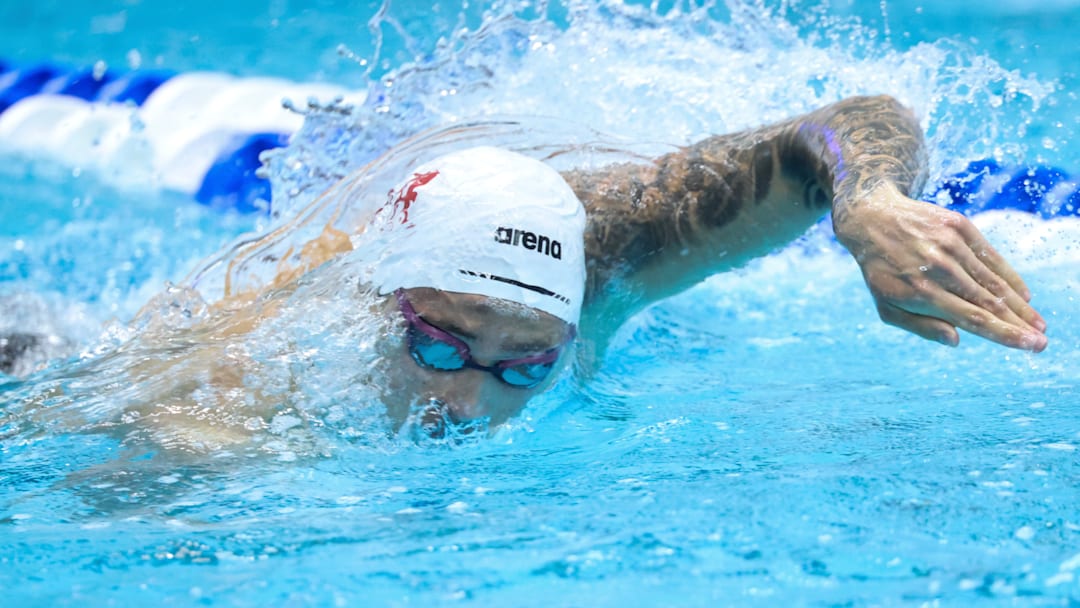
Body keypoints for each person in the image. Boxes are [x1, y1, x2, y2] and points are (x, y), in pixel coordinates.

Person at [3, 95, 1050, 440]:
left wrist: (866, 201)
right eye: (437, 342)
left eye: (525, 368)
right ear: (386, 302)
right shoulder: (272, 339)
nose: (462, 400)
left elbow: (857, 123)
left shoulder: (617, 255)